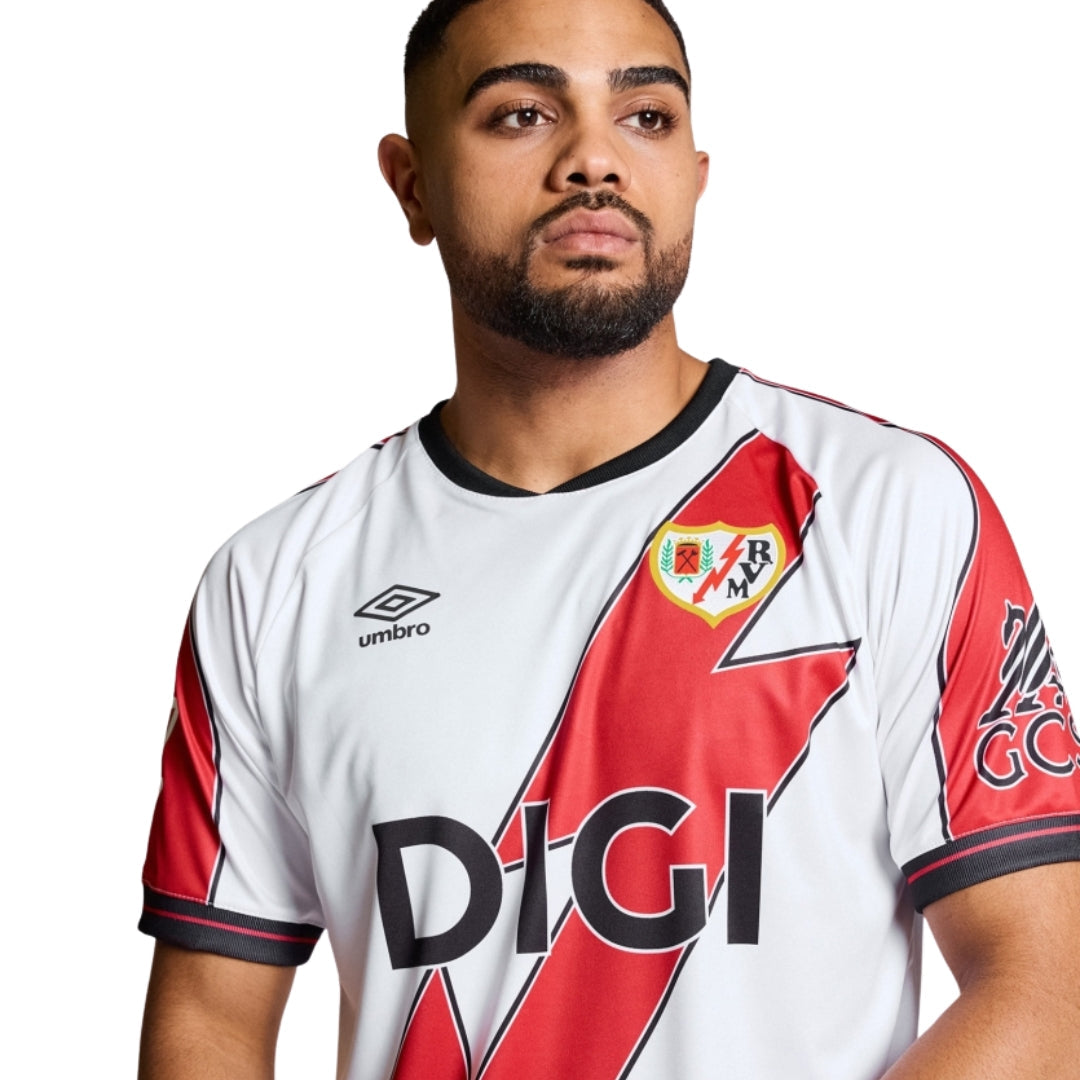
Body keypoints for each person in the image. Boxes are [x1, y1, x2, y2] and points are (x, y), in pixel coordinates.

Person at [137, 0, 1080, 1077]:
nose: (595, 160)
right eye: (522, 114)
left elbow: (1046, 985)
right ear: (412, 185)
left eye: (646, 116)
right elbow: (209, 1022)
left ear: (696, 173)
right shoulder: (275, 581)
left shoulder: (885, 508)